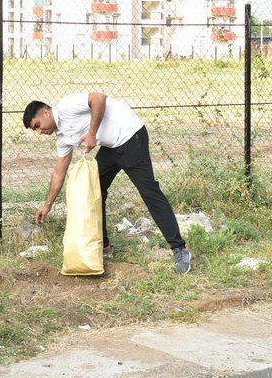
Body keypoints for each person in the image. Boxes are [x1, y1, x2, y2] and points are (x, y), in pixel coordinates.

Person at [24, 93, 193, 274]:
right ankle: (104, 248)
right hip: (111, 148)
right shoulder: (63, 138)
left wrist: (91, 133)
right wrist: (47, 205)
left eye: (38, 126)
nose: (40, 132)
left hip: (130, 134)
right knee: (94, 191)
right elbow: (59, 174)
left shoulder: (66, 106)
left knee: (149, 192)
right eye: (36, 130)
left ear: (47, 113)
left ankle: (179, 249)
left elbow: (98, 98)